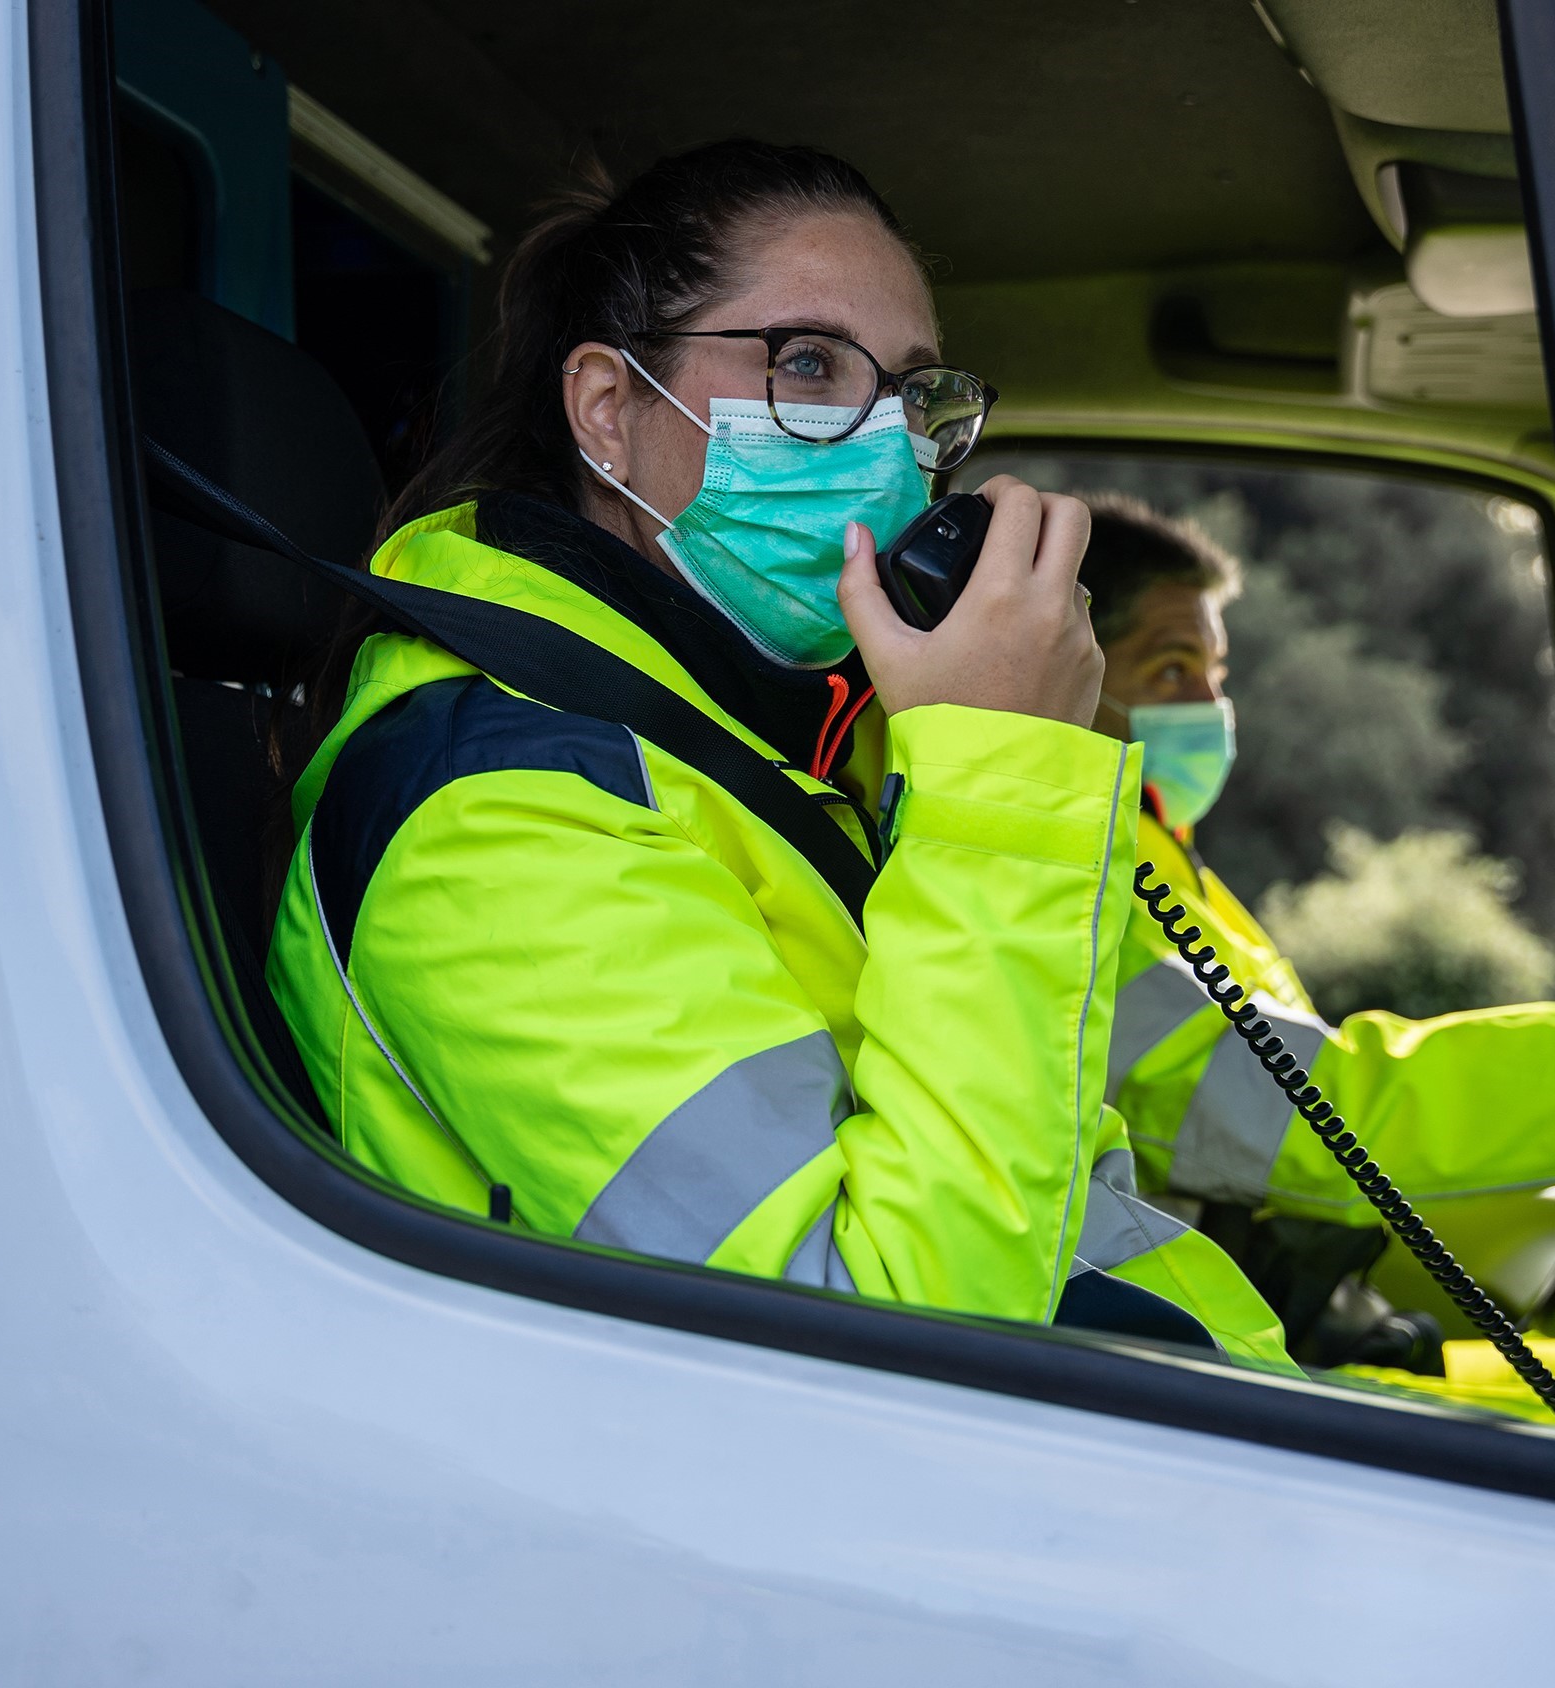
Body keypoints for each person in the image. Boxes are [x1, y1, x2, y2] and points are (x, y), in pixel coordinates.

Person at [264, 141, 1295, 1371]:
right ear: (609, 408)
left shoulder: (781, 750)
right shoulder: (496, 811)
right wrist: (1000, 774)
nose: (890, 447)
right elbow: (889, 1342)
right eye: (808, 363)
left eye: (914, 392)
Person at [1076, 495, 1555, 1434]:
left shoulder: (1159, 859)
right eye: (1170, 669)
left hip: (1278, 1319)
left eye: (1215, 672)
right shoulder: (1073, 883)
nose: (1210, 708)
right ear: (1063, 666)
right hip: (1195, 1370)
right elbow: (1325, 1122)